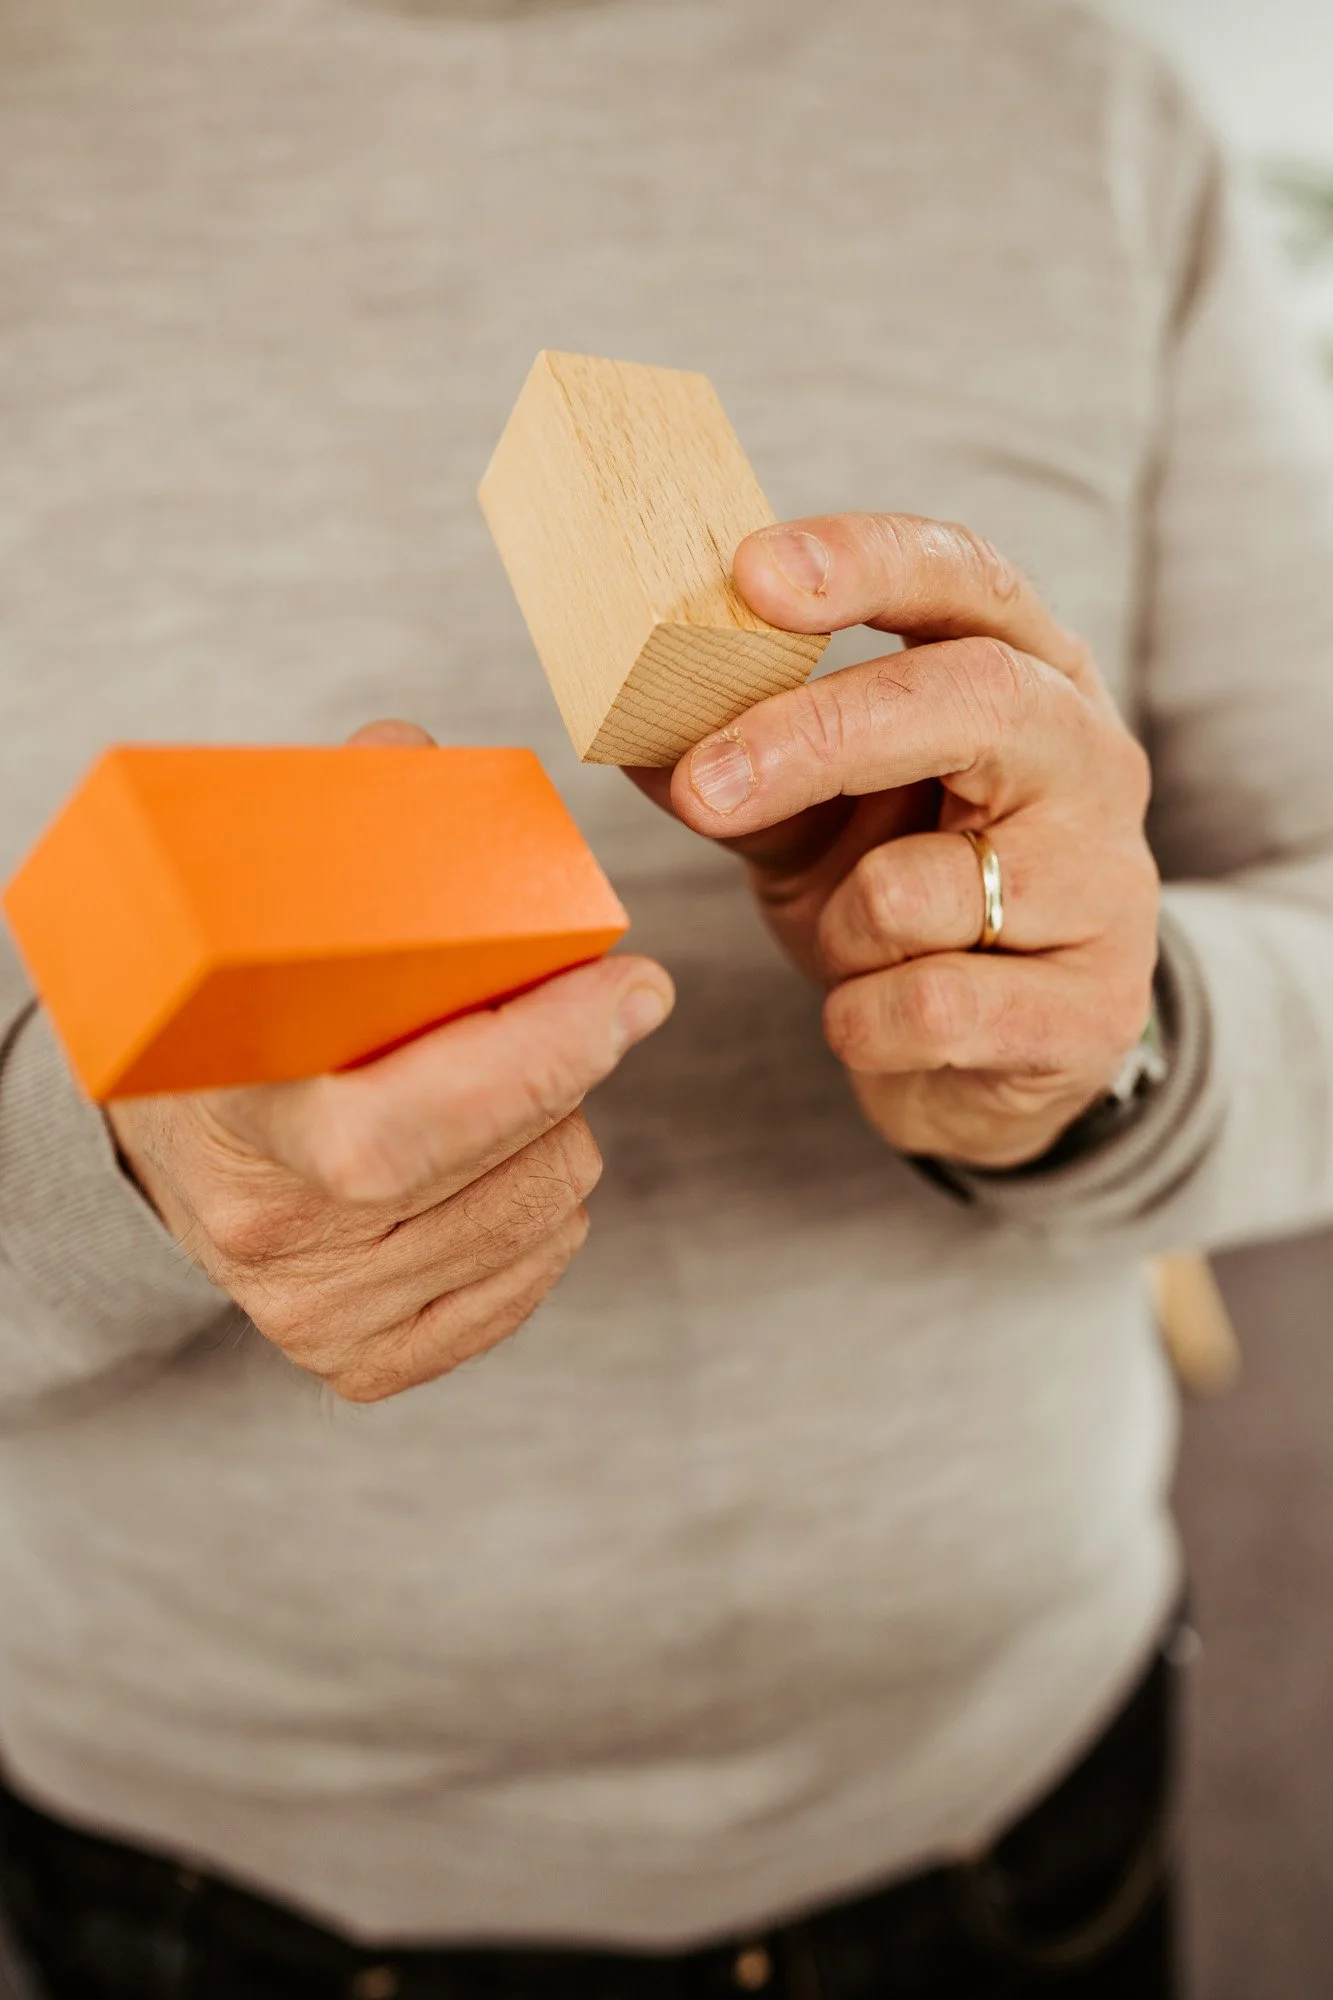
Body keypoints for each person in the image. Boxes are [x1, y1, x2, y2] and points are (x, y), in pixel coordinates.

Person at [1, 0, 1332, 1994]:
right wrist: (103, 1170)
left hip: (1000, 1794)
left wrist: (1117, 1039)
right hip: (199, 1866)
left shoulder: (1075, 103)